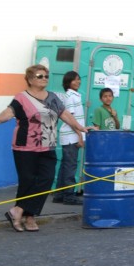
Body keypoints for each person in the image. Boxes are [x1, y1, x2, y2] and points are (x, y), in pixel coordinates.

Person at [0, 64, 88, 232]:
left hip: (48, 146)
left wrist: (80, 127)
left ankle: (18, 211)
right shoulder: (21, 98)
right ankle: (28, 217)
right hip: (25, 147)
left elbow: (65, 114)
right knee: (27, 182)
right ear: (30, 79)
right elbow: (9, 112)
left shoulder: (52, 97)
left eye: (46, 76)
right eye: (40, 76)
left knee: (46, 180)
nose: (45, 79)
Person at [54, 70, 86, 205]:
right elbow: (70, 119)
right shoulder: (71, 97)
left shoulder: (74, 95)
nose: (77, 82)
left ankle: (59, 194)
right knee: (70, 166)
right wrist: (79, 135)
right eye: (74, 80)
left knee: (65, 165)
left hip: (69, 135)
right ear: (68, 82)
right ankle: (69, 195)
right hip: (71, 135)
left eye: (79, 79)